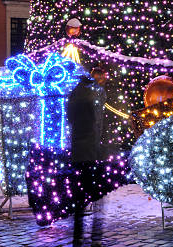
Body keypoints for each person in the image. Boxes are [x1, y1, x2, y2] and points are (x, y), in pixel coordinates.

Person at [66, 67, 108, 246]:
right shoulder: (96, 93)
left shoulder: (74, 93)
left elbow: (69, 119)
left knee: (79, 197)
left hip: (77, 150)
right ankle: (96, 237)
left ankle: (77, 235)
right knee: (98, 195)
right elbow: (99, 122)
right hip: (92, 150)